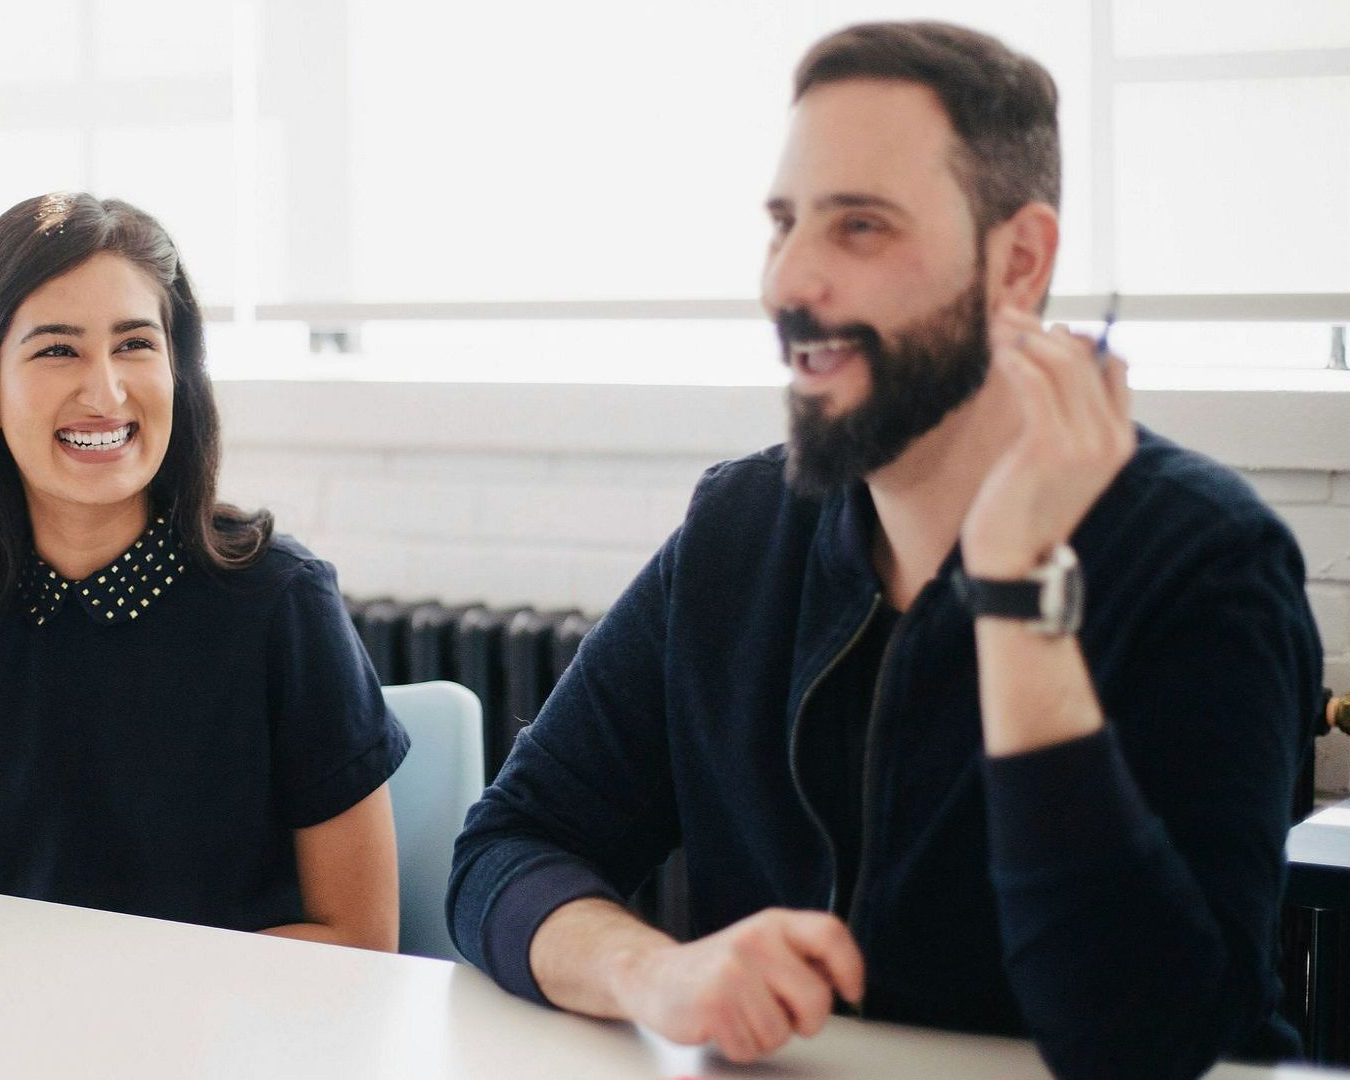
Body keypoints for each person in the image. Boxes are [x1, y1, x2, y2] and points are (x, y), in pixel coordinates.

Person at [448, 21, 1318, 1078]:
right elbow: (506, 850)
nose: (790, 282)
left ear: (1020, 259)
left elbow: (1149, 1044)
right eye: (784, 224)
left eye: (860, 226)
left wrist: (1017, 596)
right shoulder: (739, 529)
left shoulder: (1209, 561)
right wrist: (652, 971)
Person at [0, 193, 406, 951]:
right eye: (58, 350)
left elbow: (360, 939)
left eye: (134, 345)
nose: (106, 392)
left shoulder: (279, 601)